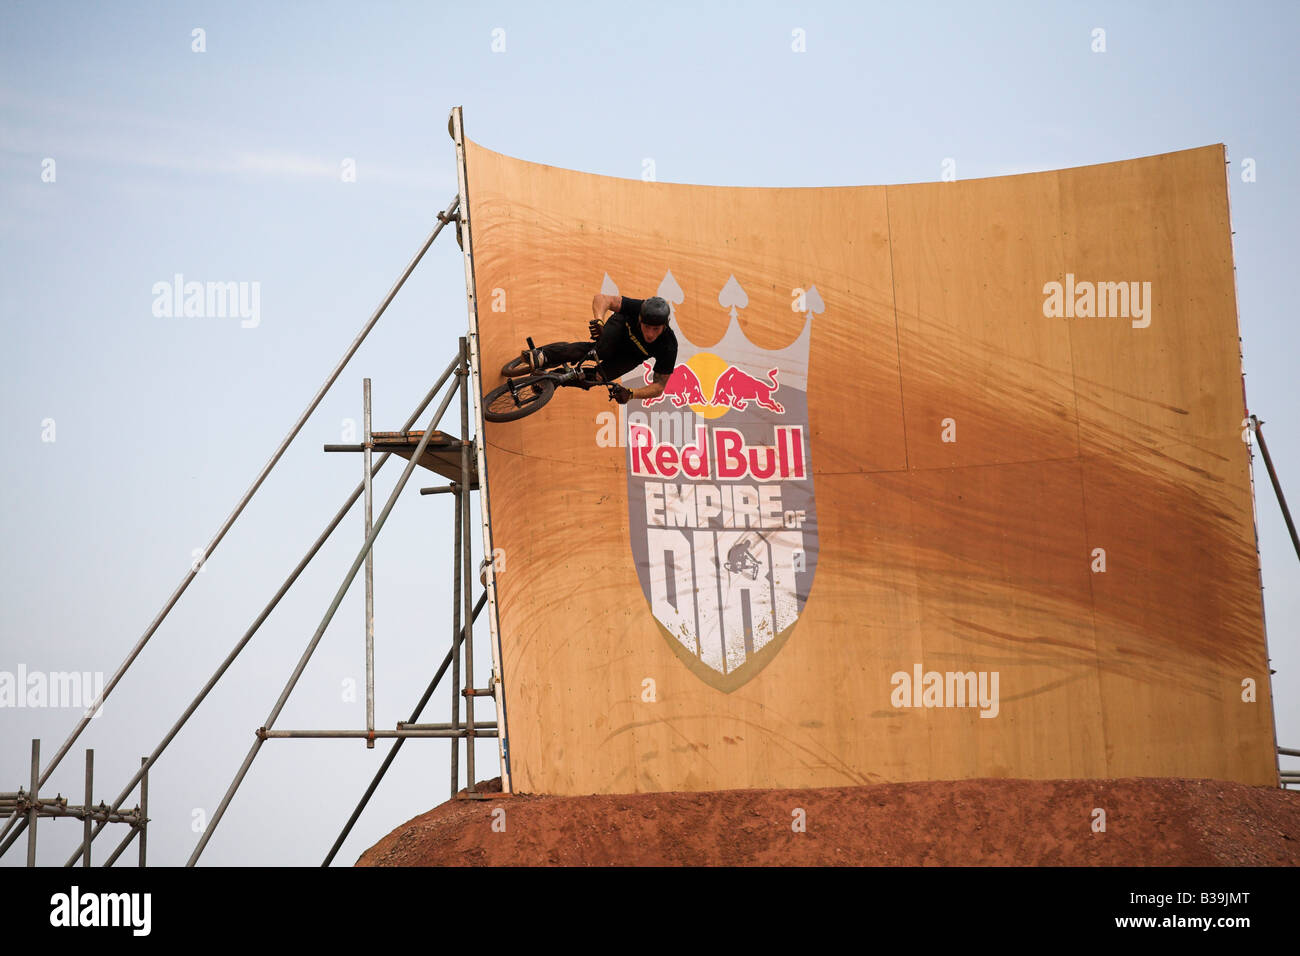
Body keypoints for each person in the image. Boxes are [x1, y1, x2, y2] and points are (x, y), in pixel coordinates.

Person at [521, 294, 678, 404]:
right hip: (620, 329)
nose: (650, 334)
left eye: (656, 329)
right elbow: (603, 299)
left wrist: (631, 394)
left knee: (598, 378)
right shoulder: (638, 307)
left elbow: (659, 387)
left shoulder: (669, 346)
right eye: (647, 327)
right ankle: (543, 356)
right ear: (640, 319)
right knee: (599, 351)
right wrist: (598, 320)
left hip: (632, 356)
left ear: (664, 325)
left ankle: (554, 379)